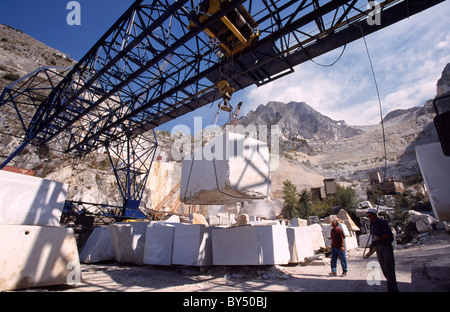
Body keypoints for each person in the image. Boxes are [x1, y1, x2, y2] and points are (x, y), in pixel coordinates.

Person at [367, 208, 399, 292]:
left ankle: (393, 289)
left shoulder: (382, 223)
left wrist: (379, 237)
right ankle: (391, 287)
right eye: (368, 216)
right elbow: (373, 236)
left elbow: (388, 235)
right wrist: (372, 244)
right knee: (384, 268)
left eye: (370, 215)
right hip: (378, 247)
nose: (369, 217)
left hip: (386, 246)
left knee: (389, 267)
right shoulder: (371, 224)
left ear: (374, 215)